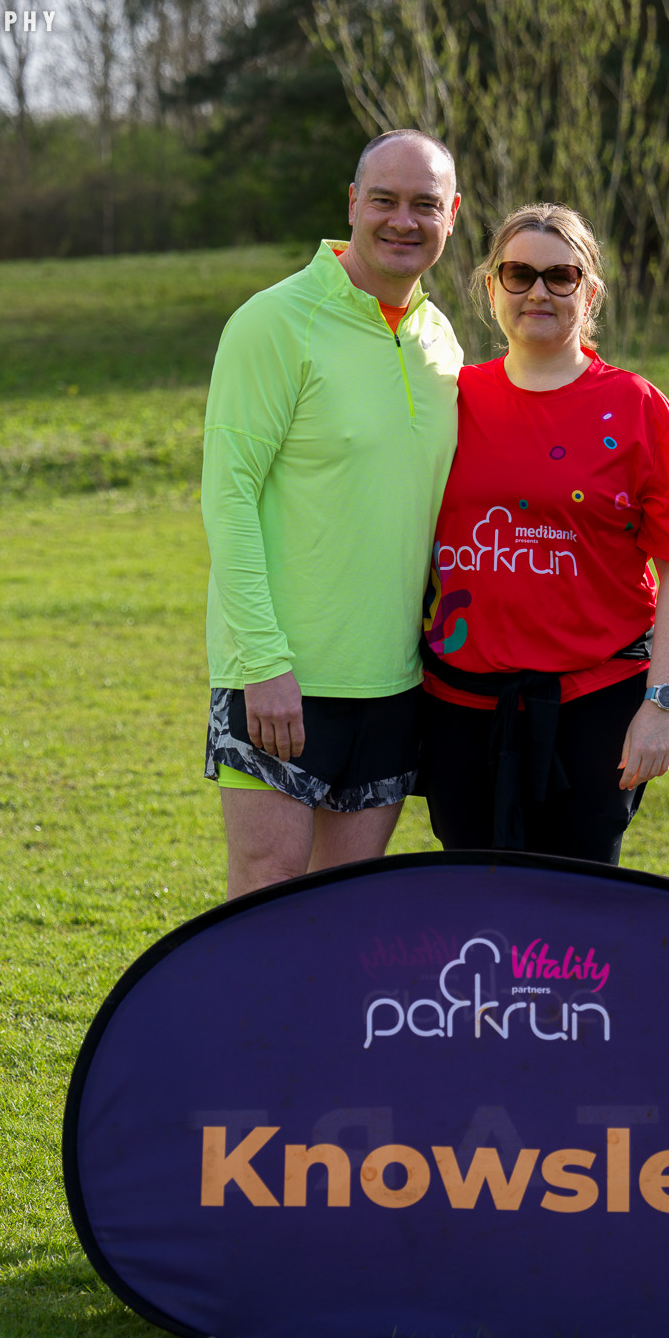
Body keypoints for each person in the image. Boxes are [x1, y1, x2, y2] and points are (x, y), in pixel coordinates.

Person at [200, 130, 464, 898]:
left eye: (424, 205)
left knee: (349, 907)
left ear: (451, 214)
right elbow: (227, 496)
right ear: (352, 204)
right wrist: (262, 663)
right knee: (269, 894)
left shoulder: (440, 339)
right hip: (279, 676)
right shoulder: (274, 321)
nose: (403, 221)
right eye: (384, 200)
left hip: (395, 682)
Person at [419, 203, 669, 864]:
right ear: (491, 288)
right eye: (518, 274)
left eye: (561, 276)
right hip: (460, 704)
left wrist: (661, 705)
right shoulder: (448, 399)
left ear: (590, 292)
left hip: (596, 702)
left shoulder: (637, 408)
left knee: (577, 897)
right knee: (471, 889)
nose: (538, 292)